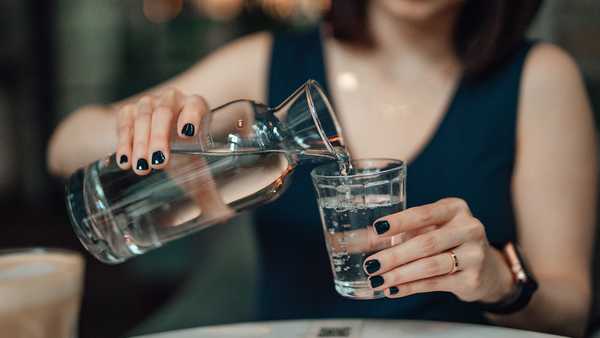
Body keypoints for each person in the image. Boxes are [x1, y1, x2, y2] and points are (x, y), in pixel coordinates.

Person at [47, 0, 597, 336]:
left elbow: (571, 310)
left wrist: (500, 282)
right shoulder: (266, 63)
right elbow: (64, 145)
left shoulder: (540, 78)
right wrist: (144, 126)